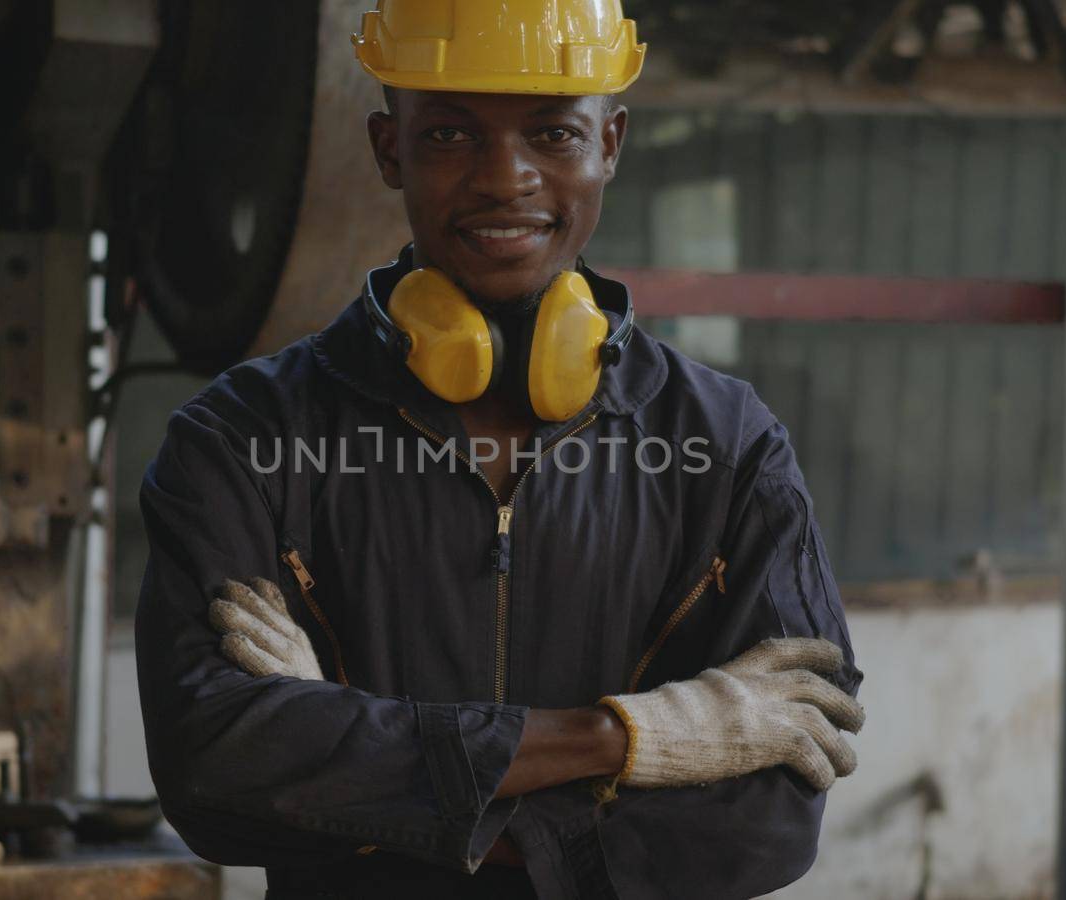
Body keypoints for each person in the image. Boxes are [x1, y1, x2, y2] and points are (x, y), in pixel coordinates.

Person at [135, 2, 864, 897]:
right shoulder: (244, 438)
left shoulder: (728, 446)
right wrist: (635, 736)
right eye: (449, 133)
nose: (504, 178)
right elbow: (216, 774)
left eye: (554, 132)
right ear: (387, 147)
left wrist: (357, 766)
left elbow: (772, 819)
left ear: (611, 142)